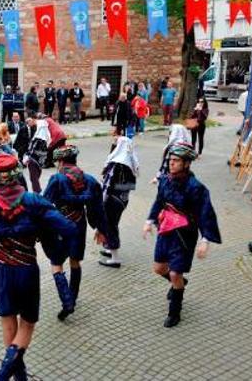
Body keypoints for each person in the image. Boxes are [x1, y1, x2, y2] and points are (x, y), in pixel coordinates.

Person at [0, 154, 77, 381]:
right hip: (26, 269)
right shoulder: (34, 201)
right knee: (27, 323)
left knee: (8, 320)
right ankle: (3, 376)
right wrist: (55, 250)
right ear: (17, 174)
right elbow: (68, 228)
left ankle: (19, 378)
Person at [142, 143, 221, 327]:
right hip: (165, 231)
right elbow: (159, 202)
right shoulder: (165, 180)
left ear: (186, 164)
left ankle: (175, 312)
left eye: (176, 161)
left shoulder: (196, 188)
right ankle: (180, 282)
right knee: (159, 269)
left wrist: (205, 239)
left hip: (184, 236)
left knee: (175, 272)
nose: (171, 163)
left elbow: (205, 213)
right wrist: (149, 221)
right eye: (170, 160)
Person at [43, 145, 107, 321]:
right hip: (79, 224)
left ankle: (67, 301)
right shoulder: (90, 180)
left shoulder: (56, 179)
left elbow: (44, 206)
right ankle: (74, 296)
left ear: (61, 161)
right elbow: (98, 208)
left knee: (56, 263)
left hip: (60, 226)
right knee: (75, 261)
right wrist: (101, 229)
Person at [99, 136, 139, 268]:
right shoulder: (129, 164)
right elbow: (130, 186)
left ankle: (115, 258)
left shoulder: (116, 164)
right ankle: (109, 248)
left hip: (112, 200)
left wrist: (103, 199)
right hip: (122, 200)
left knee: (111, 226)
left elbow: (108, 184)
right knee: (112, 224)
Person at [23, 119, 49, 193]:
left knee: (33, 178)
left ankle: (37, 193)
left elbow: (31, 150)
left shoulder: (37, 140)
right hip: (40, 162)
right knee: (36, 177)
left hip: (33, 161)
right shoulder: (45, 140)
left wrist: (27, 157)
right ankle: (37, 191)